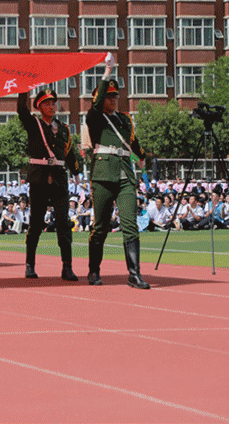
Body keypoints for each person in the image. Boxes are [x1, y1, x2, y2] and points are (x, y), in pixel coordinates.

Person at [86, 55, 150, 289]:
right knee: (100, 226)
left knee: (130, 224)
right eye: (109, 96)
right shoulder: (95, 118)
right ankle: (94, 271)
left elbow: (134, 142)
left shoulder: (124, 120)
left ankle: (134, 274)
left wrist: (142, 157)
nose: (112, 100)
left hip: (125, 175)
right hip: (103, 175)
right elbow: (97, 101)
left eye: (115, 96)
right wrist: (108, 72)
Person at [18, 89, 83, 280]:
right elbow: (21, 110)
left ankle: (67, 266)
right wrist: (24, 89)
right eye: (46, 103)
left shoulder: (63, 128)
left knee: (63, 222)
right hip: (39, 179)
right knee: (36, 223)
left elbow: (68, 152)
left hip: (59, 179)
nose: (51, 106)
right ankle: (30, 265)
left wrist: (76, 170)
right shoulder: (34, 124)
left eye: (53, 103)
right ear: (39, 107)